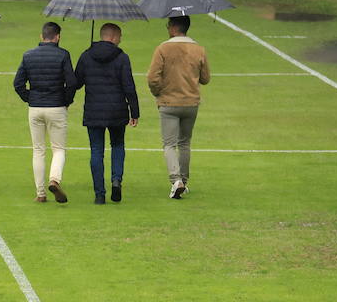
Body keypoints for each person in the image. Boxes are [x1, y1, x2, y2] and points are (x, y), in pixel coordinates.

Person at [74, 23, 140, 205]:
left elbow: (77, 82)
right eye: (119, 37)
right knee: (117, 145)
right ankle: (116, 179)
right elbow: (129, 87)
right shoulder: (122, 58)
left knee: (96, 150)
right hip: (117, 110)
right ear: (112, 37)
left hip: (94, 110)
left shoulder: (86, 56)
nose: (120, 40)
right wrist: (134, 111)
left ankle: (99, 194)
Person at [147, 15, 211, 199]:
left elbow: (152, 77)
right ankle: (184, 180)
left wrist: (158, 92)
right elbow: (205, 78)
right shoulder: (198, 49)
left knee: (169, 144)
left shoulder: (163, 48)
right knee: (184, 143)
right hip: (190, 103)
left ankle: (176, 180)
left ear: (174, 27)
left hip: (168, 102)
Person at [13, 22, 78, 203]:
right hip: (56, 106)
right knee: (58, 149)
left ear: (42, 36)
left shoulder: (28, 55)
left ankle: (40, 193)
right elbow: (71, 83)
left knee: (38, 150)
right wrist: (66, 100)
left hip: (35, 108)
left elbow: (18, 83)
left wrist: (29, 98)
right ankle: (54, 179)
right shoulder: (63, 55)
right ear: (57, 37)